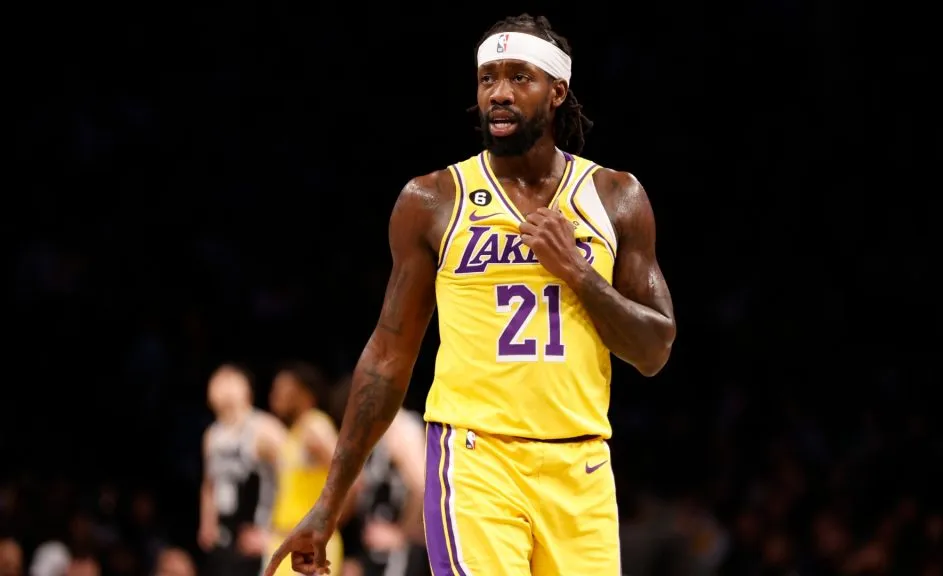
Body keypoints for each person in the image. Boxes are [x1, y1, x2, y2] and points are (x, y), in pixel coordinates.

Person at [264, 13, 675, 576]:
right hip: (475, 459)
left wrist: (578, 274)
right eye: (488, 79)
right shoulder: (432, 199)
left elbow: (654, 350)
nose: (499, 94)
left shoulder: (616, 196)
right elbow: (388, 356)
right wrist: (328, 503)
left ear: (557, 91)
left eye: (518, 78)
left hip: (581, 465)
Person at [332, 378, 429, 576]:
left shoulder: (401, 429)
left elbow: (422, 488)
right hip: (374, 548)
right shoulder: (378, 432)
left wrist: (403, 534)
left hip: (397, 553)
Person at [199, 364, 286, 576]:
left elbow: (290, 478)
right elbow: (209, 483)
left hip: (256, 533)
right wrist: (207, 523)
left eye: (230, 381)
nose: (224, 389)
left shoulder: (265, 428)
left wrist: (274, 532)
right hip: (224, 537)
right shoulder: (213, 435)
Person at [266, 363, 344, 576]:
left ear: (304, 394)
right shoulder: (296, 431)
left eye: (283, 388)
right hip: (285, 540)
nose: (275, 394)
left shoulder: (315, 426)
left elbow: (351, 478)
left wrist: (329, 523)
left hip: (308, 546)